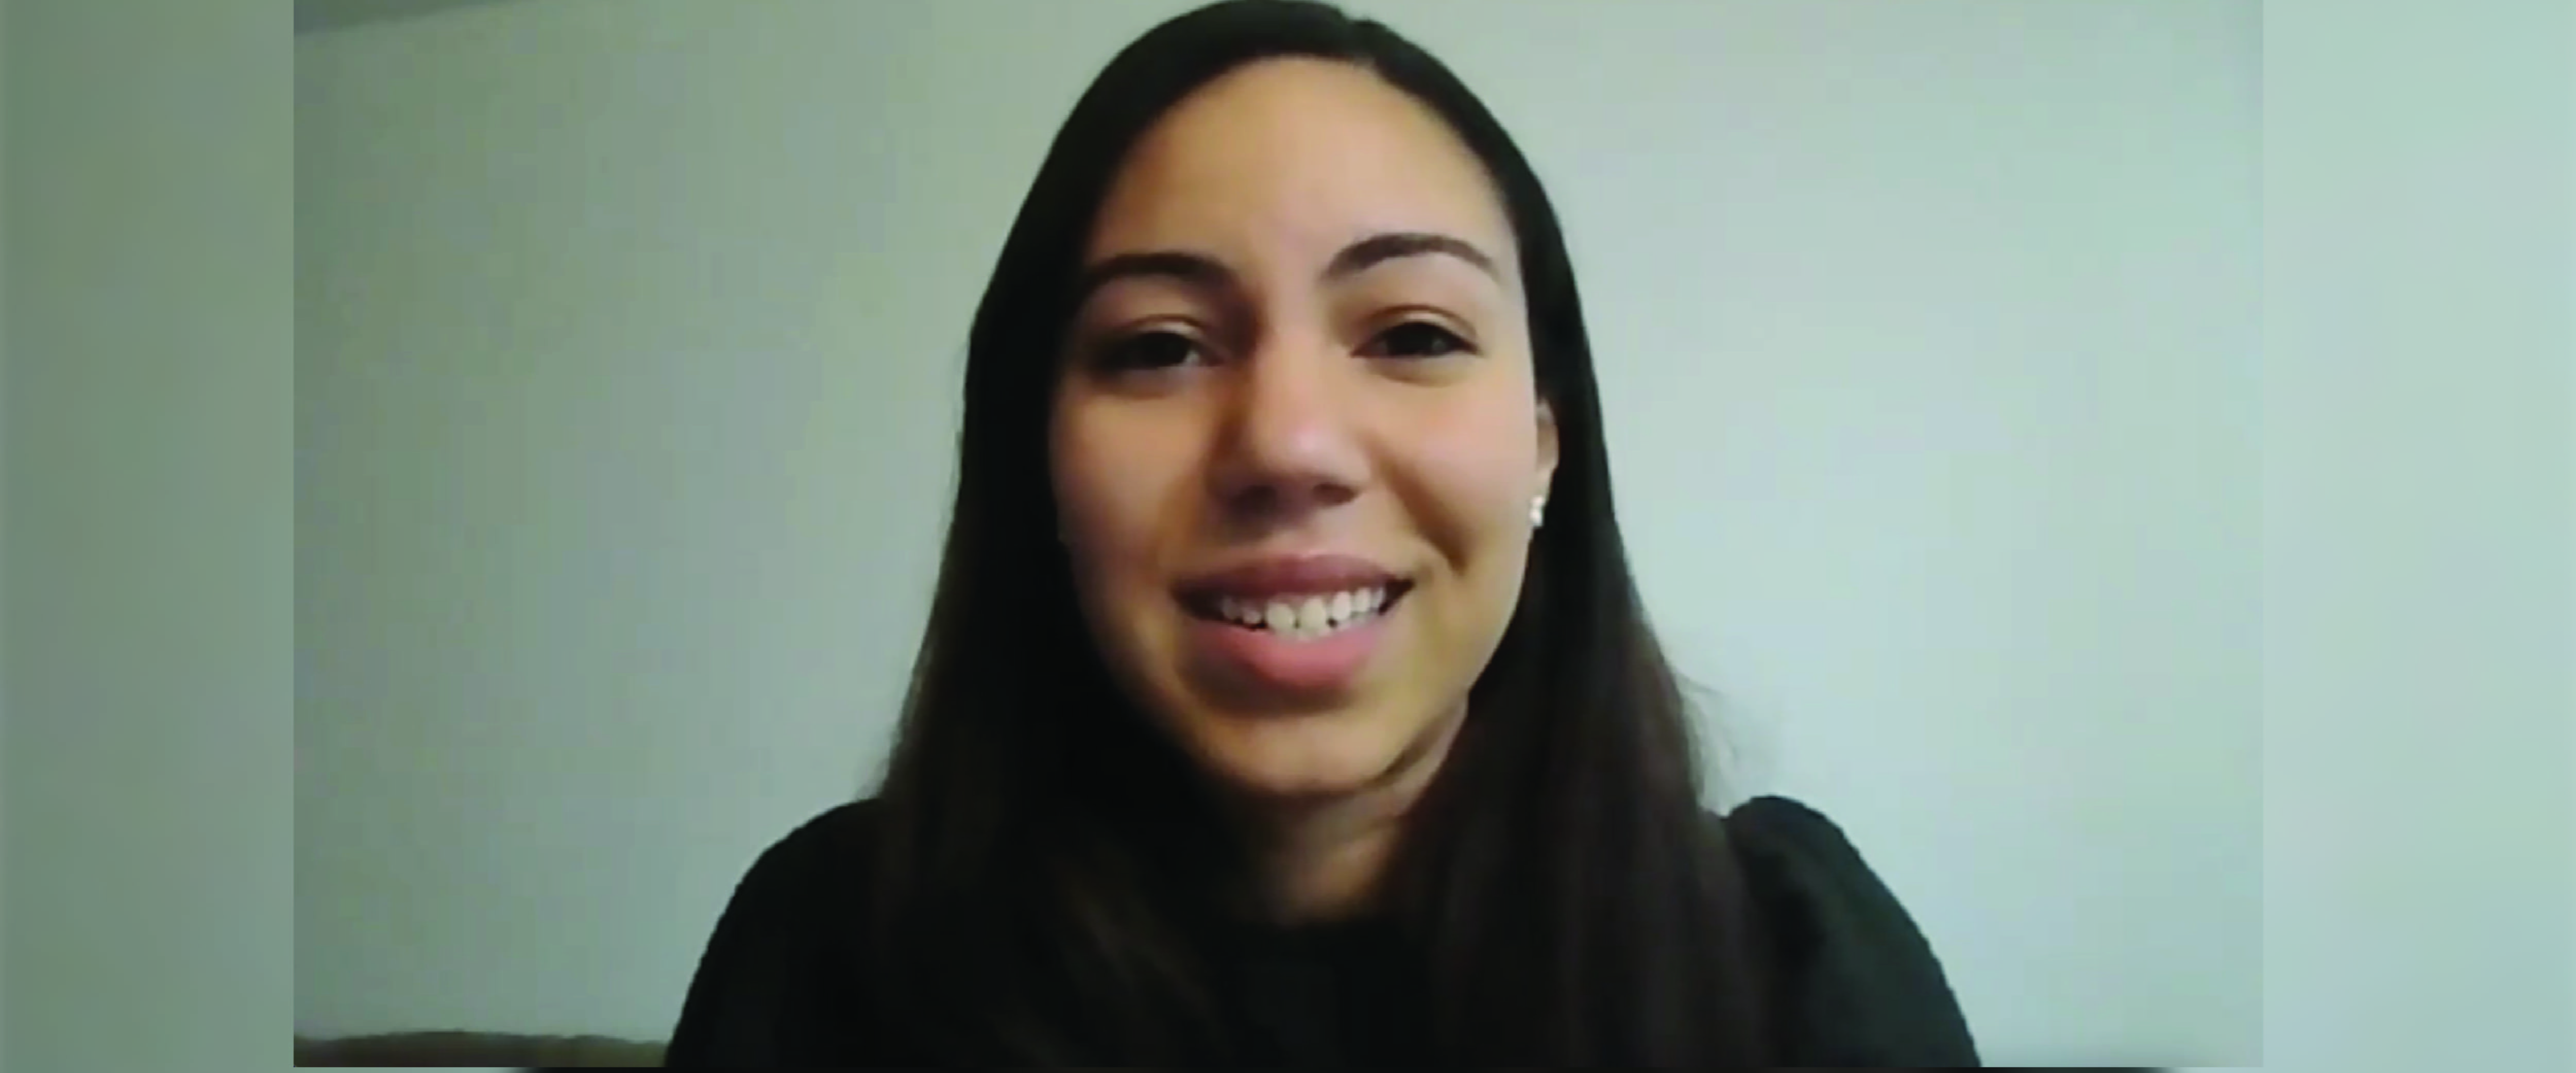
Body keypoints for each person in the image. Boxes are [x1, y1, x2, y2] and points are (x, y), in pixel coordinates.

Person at [664, 1, 1977, 1066]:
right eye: (1160, 347)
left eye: (1413, 334)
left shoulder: (1791, 965)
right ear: (1039, 458)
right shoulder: (828, 955)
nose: (1289, 446)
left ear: (1544, 444)